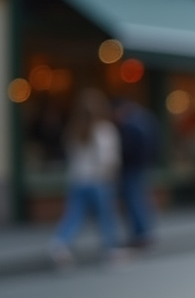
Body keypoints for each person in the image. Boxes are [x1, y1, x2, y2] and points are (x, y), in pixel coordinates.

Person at [48, 89, 123, 267]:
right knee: (106, 217)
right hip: (99, 180)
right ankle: (110, 250)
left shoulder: (72, 130)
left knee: (73, 215)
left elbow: (70, 156)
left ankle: (59, 244)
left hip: (78, 179)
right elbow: (109, 160)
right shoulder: (105, 130)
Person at [113, 98, 159, 248]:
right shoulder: (144, 120)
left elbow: (133, 149)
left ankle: (142, 234)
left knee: (135, 201)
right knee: (139, 200)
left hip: (133, 168)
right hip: (140, 168)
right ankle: (143, 233)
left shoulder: (133, 125)